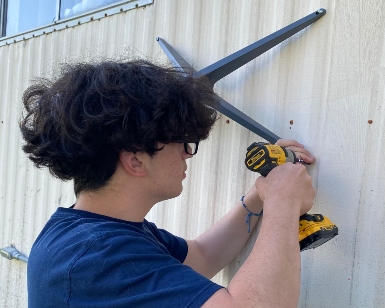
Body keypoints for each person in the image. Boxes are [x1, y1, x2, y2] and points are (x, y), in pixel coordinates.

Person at [20, 59, 315, 308]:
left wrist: (259, 195)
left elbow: (203, 255)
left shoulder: (95, 231)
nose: (188, 154)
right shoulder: (96, 255)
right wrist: (283, 203)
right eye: (182, 143)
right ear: (135, 161)